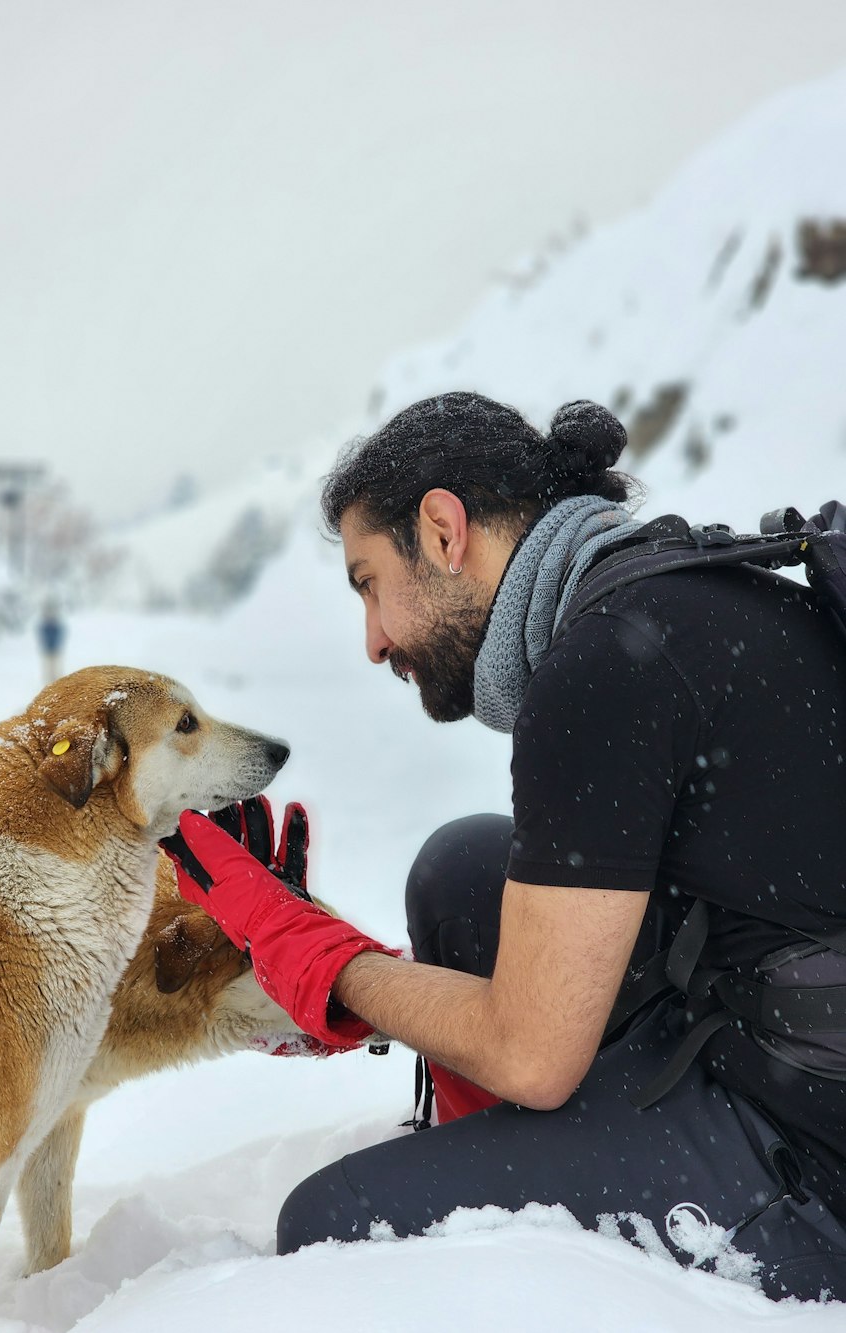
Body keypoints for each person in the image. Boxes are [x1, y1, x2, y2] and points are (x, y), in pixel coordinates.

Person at [161, 392, 846, 1300]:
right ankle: (515, 1165)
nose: (372, 641)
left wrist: (313, 955)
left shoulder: (602, 673)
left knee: (331, 1228)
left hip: (807, 1156)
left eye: (368, 584)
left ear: (444, 530)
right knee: (462, 870)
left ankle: (521, 1253)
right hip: (759, 1021)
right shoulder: (677, 589)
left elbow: (530, 1052)